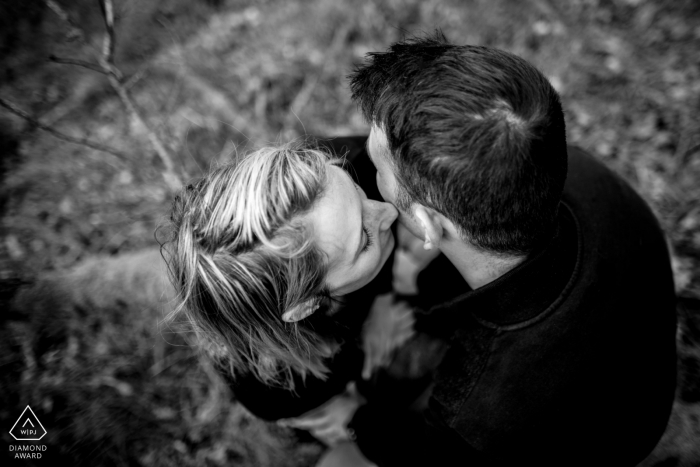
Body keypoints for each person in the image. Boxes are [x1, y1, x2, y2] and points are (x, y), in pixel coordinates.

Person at [299, 33, 677, 466]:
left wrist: (359, 433)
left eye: (375, 163)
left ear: (426, 221)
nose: (365, 169)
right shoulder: (566, 168)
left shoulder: (477, 413)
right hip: (644, 387)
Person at [162, 141, 412, 462]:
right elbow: (353, 420)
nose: (388, 210)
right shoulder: (281, 388)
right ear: (306, 306)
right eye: (364, 238)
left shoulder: (341, 174)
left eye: (356, 190)